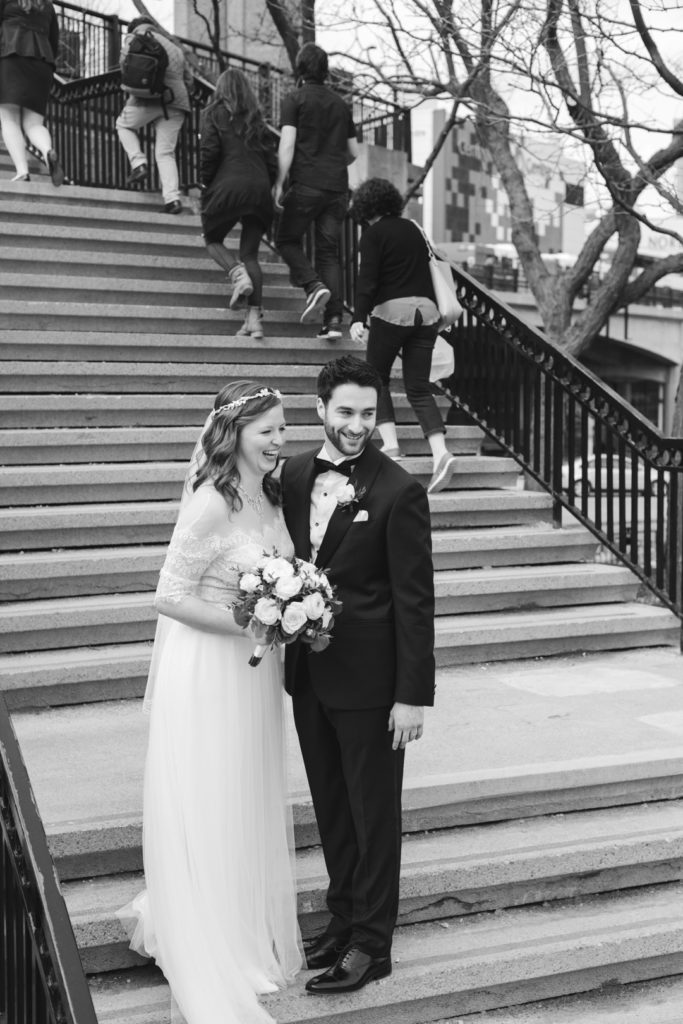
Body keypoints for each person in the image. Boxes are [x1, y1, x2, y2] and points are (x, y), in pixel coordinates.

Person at [118, 381, 302, 1024]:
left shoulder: (271, 492)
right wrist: (252, 622)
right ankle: (208, 937)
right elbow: (168, 596)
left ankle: (241, 929)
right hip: (210, 668)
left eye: (284, 428)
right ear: (235, 433)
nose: (281, 441)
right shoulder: (209, 504)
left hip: (254, 671)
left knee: (247, 792)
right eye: (269, 431)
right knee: (213, 792)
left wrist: (289, 609)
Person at [280, 355, 435, 994]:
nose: (357, 426)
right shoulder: (290, 475)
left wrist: (412, 697)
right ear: (320, 409)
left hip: (374, 686)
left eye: (368, 414)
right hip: (308, 677)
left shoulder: (400, 491)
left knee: (375, 815)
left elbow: (415, 600)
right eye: (345, 412)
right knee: (333, 808)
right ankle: (343, 919)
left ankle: (373, 944)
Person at [349, 177, 458, 494]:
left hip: (393, 313)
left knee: (374, 377)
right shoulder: (414, 229)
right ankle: (441, 454)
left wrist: (358, 318)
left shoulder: (373, 234)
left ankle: (392, 445)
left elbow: (367, 280)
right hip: (426, 313)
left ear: (366, 207)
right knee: (418, 387)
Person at [273, 42, 358, 338]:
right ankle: (334, 321)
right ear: (324, 71)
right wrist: (333, 161)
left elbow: (287, 144)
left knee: (285, 239)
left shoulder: (294, 99)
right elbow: (353, 152)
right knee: (328, 254)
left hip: (306, 184)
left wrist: (279, 182)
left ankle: (313, 285)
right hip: (337, 188)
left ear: (300, 69)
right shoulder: (340, 104)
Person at [199, 68, 277, 338]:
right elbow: (272, 162)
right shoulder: (257, 120)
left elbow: (209, 151)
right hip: (260, 191)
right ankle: (254, 321)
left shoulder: (212, 114)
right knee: (251, 254)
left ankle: (236, 273)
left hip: (229, 188)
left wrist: (204, 182)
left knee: (212, 237)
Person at [115, 16, 192, 214]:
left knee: (123, 125)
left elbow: (125, 64)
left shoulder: (135, 37)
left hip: (147, 98)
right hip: (176, 101)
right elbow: (189, 80)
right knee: (165, 153)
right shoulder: (174, 46)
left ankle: (139, 163)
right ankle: (172, 200)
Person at [0, 0, 64, 184]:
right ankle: (46, 150)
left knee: (9, 119)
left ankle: (22, 171)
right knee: (34, 123)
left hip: (10, 56)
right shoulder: (47, 6)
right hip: (42, 62)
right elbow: (54, 41)